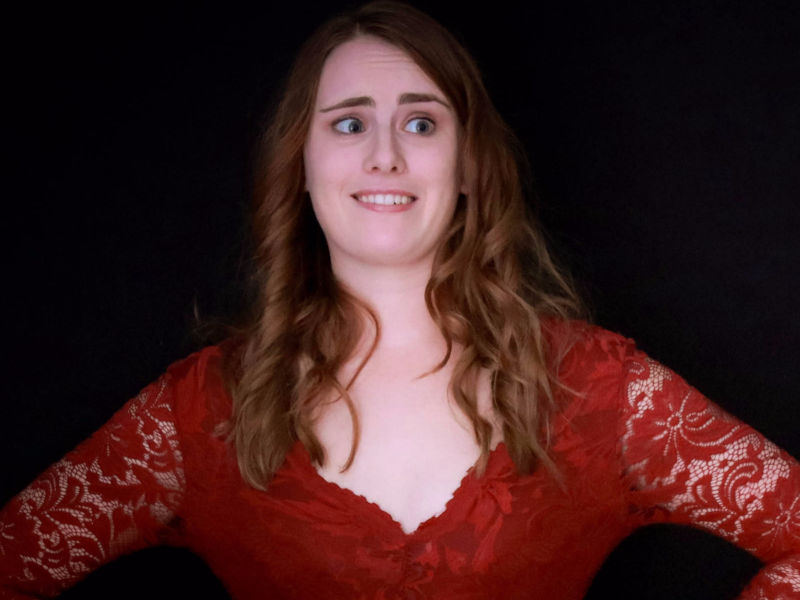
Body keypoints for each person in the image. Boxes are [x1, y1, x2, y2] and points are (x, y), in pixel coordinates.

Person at [1, 2, 798, 598]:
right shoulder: (202, 411)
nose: (384, 155)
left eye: (420, 124)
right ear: (300, 164)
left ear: (468, 165)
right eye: (349, 125)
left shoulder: (597, 391)